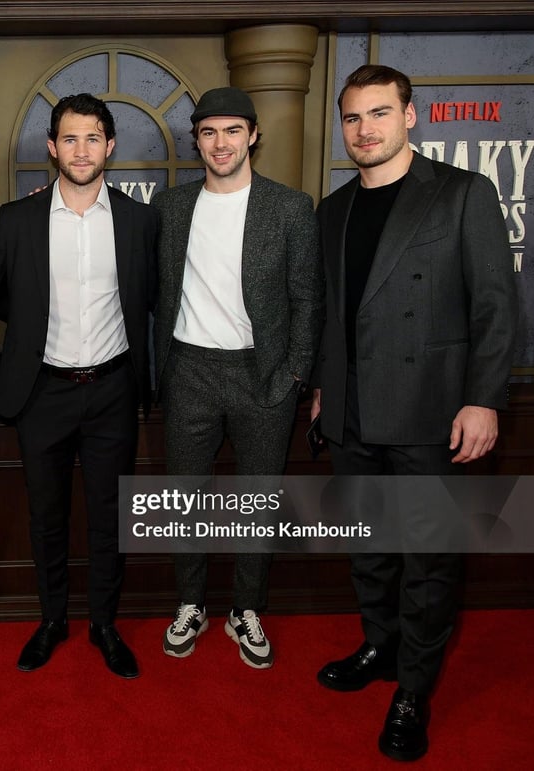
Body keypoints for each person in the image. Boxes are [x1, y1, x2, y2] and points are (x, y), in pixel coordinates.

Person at [312, 64, 516, 761]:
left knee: (428, 560)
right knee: (369, 544)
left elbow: (495, 304)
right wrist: (322, 389)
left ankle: (415, 688)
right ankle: (380, 643)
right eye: (352, 118)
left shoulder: (462, 194)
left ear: (410, 115)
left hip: (433, 412)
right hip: (352, 412)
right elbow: (331, 315)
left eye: (378, 113)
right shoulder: (332, 209)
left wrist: (484, 397)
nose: (364, 129)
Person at [152, 87, 322, 669]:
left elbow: (308, 299)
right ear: (196, 140)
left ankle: (245, 609)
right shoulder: (171, 208)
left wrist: (294, 375)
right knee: (185, 501)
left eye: (231, 131)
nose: (219, 143)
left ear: (252, 136)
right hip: (189, 371)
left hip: (263, 376)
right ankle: (191, 603)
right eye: (208, 132)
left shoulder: (290, 208)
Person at [0, 93, 157, 679]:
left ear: (109, 146)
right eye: (69, 138)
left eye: (93, 138)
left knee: (110, 515)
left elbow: (151, 300)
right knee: (47, 515)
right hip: (44, 391)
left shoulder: (141, 222)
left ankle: (104, 625)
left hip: (113, 388)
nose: (81, 149)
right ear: (51, 147)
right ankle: (52, 619)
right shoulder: (16, 220)